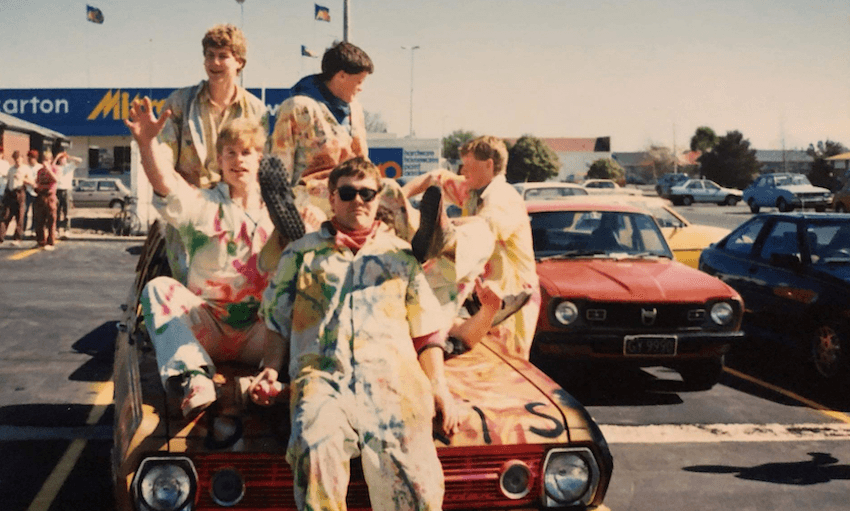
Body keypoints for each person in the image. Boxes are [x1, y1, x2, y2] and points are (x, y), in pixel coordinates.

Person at [259, 156, 455, 511]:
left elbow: (425, 331)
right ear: (332, 198)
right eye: (348, 193)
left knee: (415, 482)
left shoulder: (401, 256)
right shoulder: (300, 254)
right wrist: (271, 369)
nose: (358, 200)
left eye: (367, 192)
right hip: (322, 379)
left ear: (378, 198)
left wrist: (438, 385)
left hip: (393, 382)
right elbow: (277, 320)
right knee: (315, 450)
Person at [125, 97, 275, 418]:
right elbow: (166, 186)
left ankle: (273, 381)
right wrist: (148, 144)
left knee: (301, 299)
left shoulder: (279, 211)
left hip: (259, 333)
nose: (238, 160)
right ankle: (195, 376)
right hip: (207, 326)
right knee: (158, 289)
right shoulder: (204, 204)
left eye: (246, 152)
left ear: (260, 158)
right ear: (219, 160)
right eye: (230, 153)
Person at [262, 41, 416, 266]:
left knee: (389, 188)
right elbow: (279, 169)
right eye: (360, 81)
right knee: (388, 191)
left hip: (352, 186)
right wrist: (294, 208)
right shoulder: (298, 108)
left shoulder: (356, 110)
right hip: (311, 191)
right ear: (341, 76)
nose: (361, 88)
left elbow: (363, 163)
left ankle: (414, 251)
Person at [402, 136, 540, 360]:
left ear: (489, 165)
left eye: (468, 164)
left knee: (501, 363)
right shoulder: (471, 189)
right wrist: (401, 196)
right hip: (481, 298)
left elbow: (483, 228)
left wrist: (444, 225)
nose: (462, 170)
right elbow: (434, 177)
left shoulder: (503, 197)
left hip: (510, 300)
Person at [156, 23, 269, 283]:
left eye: (223, 56)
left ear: (239, 62)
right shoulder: (179, 102)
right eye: (209, 55)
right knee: (188, 284)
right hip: (191, 213)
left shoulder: (256, 110)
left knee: (235, 286)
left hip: (237, 212)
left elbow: (260, 164)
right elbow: (163, 156)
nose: (214, 62)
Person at [0, 150, 36, 247]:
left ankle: (17, 238)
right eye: (16, 159)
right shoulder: (11, 169)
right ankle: (0, 237)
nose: (17, 161)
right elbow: (8, 182)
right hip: (10, 193)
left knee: (20, 216)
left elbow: (32, 183)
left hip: (20, 192)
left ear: (22, 159)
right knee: (5, 216)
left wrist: (22, 179)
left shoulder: (26, 169)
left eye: (19, 159)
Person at [33, 151, 59, 250]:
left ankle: (51, 241)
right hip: (41, 195)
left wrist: (48, 169)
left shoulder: (54, 169)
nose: (45, 162)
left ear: (50, 160)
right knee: (39, 219)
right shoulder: (40, 171)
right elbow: (38, 182)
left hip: (50, 196)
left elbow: (56, 179)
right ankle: (40, 241)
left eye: (47, 159)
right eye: (44, 159)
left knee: (51, 219)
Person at [53, 152, 81, 237]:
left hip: (67, 190)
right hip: (57, 190)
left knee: (67, 212)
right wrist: (57, 156)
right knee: (56, 211)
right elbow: (51, 165)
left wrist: (70, 157)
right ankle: (56, 229)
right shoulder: (57, 167)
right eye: (61, 159)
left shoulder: (70, 166)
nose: (63, 160)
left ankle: (66, 230)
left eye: (64, 158)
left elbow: (79, 160)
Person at [22, 150, 39, 235]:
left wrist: (37, 184)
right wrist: (30, 183)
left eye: (31, 158)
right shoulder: (25, 167)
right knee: (24, 211)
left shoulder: (40, 167)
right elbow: (22, 178)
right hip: (28, 191)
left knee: (35, 212)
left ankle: (33, 229)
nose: (29, 160)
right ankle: (23, 229)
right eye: (28, 158)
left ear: (35, 158)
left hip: (37, 192)